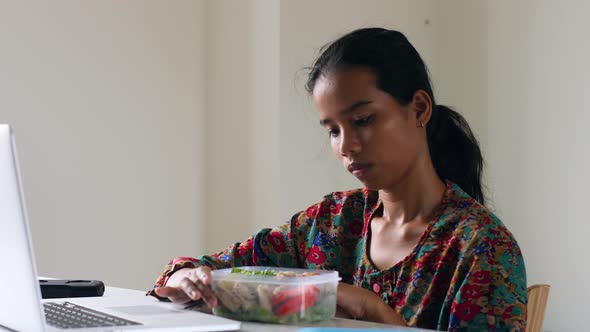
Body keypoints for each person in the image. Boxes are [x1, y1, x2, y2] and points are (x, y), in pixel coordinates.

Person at [149, 28, 527, 331]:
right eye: (333, 130)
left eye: (363, 120)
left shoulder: (480, 250)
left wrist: (374, 311)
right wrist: (188, 277)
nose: (347, 146)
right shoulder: (330, 222)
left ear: (419, 109)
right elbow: (208, 266)